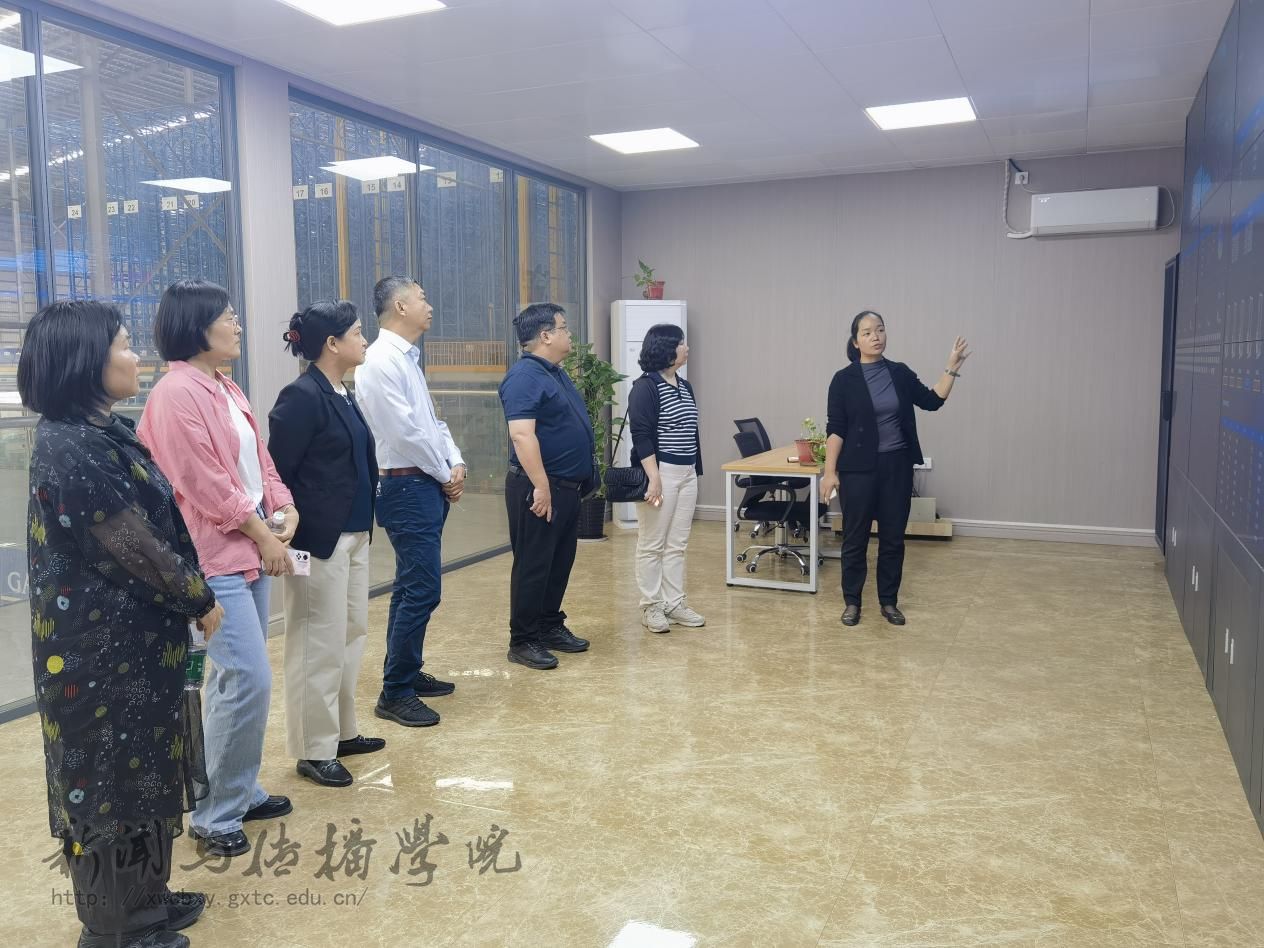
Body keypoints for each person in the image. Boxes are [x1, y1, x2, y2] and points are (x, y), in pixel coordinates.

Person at [21, 299, 225, 948]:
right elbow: (132, 547)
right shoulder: (71, 446)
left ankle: (146, 900)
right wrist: (198, 596)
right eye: (125, 345)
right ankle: (118, 930)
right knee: (108, 785)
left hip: (134, 648)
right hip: (99, 658)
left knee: (143, 776)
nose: (137, 357)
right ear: (86, 361)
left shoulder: (101, 430)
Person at [138, 280, 297, 859]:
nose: (237, 325)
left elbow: (260, 462)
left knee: (239, 680)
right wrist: (264, 534)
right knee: (246, 678)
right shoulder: (175, 393)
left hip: (246, 550)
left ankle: (238, 789)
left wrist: (285, 507)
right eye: (228, 317)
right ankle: (213, 814)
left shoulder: (225, 386)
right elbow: (205, 484)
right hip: (211, 559)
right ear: (197, 328)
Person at [268, 300, 385, 788]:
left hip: (354, 534)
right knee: (316, 641)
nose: (364, 339)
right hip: (318, 540)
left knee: (350, 633)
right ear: (332, 344)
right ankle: (314, 748)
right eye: (357, 332)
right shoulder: (300, 396)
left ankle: (340, 731)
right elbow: (277, 473)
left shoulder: (342, 392)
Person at [354, 276, 462, 727]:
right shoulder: (380, 361)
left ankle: (407, 672)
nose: (429, 305)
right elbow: (403, 434)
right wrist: (443, 472)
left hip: (424, 482)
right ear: (400, 306)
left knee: (411, 587)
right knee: (422, 589)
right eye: (422, 298)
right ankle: (395, 692)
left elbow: (431, 423)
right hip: (405, 486)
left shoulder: (406, 358)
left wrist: (455, 461)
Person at [819, 310, 970, 627]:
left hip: (896, 467)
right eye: (867, 332)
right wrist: (830, 472)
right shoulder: (843, 380)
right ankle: (852, 602)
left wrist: (951, 368)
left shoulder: (899, 373)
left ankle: (888, 602)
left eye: (880, 330)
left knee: (892, 538)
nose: (875, 336)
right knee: (855, 538)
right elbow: (836, 429)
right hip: (857, 470)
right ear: (856, 341)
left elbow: (932, 400)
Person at [498, 303, 595, 670]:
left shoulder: (553, 373)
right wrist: (541, 487)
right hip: (538, 487)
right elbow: (522, 436)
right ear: (545, 336)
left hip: (565, 487)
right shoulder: (524, 376)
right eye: (564, 328)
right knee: (534, 565)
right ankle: (523, 640)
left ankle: (549, 625)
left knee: (559, 563)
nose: (569, 334)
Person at [628, 323, 705, 634]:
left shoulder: (685, 386)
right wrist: (654, 478)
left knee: (677, 544)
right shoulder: (645, 387)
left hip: (687, 473)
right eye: (681, 343)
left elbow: (690, 431)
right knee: (652, 543)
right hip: (661, 473)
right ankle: (651, 606)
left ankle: (674, 603)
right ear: (667, 349)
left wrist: (694, 470)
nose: (687, 348)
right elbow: (641, 435)